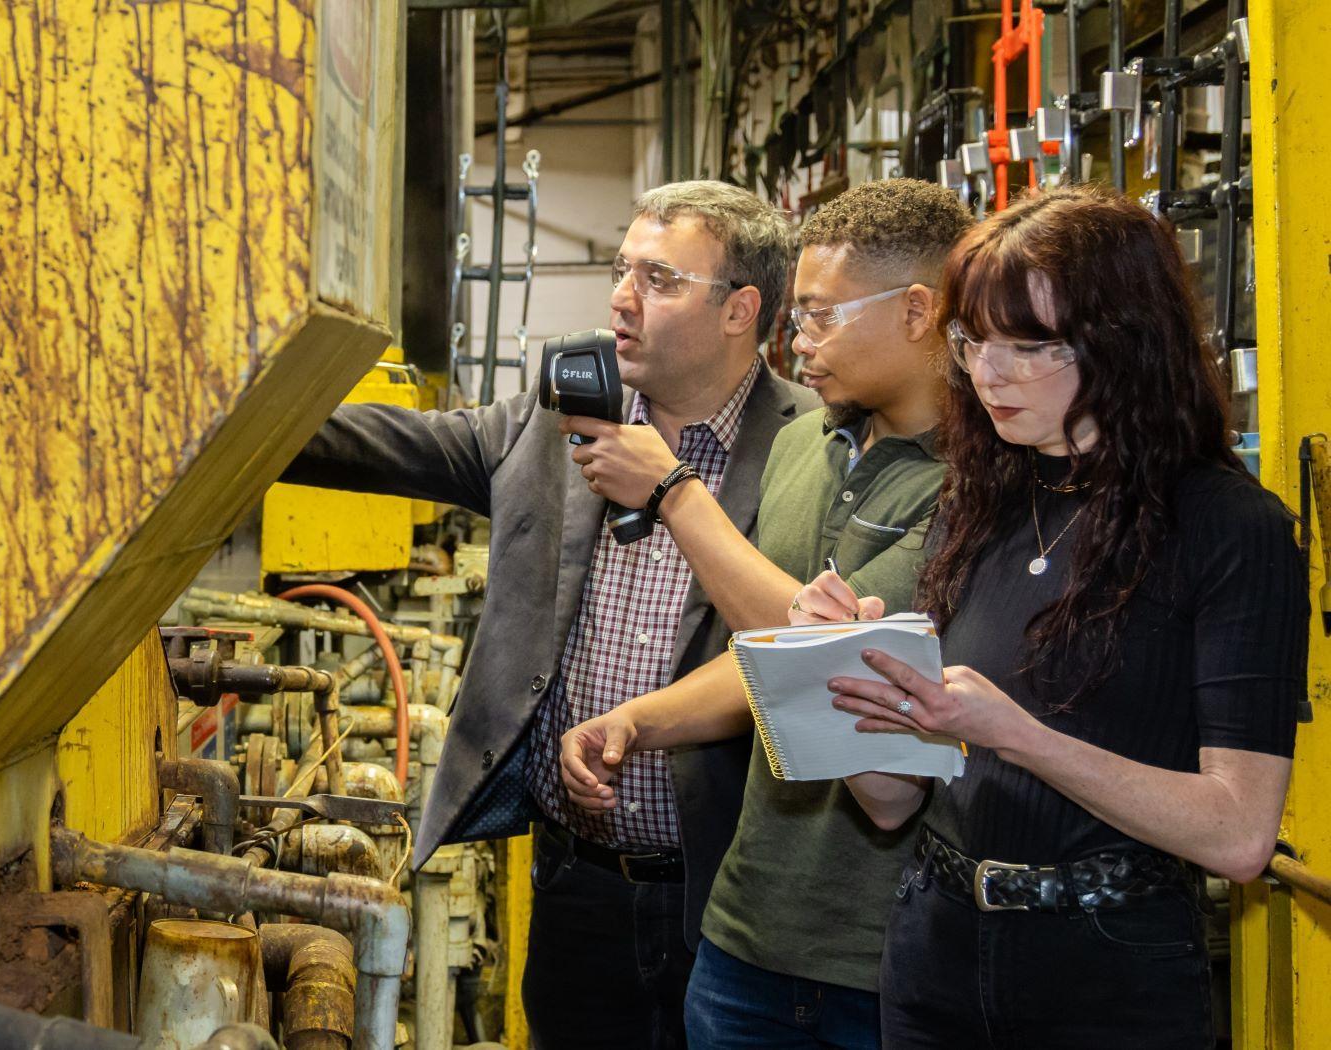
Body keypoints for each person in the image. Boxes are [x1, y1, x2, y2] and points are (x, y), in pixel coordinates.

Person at [281, 180, 816, 1050]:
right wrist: (230, 414)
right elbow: (378, 443)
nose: (621, 297)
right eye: (620, 269)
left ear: (739, 309)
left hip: (729, 895)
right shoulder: (556, 422)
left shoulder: (811, 444)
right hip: (580, 888)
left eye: (659, 278)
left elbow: (812, 651)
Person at [819, 186, 1307, 1049]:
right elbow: (893, 802)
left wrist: (1019, 735)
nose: (987, 375)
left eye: (1030, 347)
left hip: (1107, 972)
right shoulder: (983, 501)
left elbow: (1237, 835)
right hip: (936, 948)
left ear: (1124, 343)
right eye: (972, 343)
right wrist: (849, 674)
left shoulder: (1227, 528)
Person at [557, 179, 974, 1048]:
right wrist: (638, 721)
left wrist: (675, 494)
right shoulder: (800, 445)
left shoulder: (978, 491)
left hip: (881, 955)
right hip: (744, 932)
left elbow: (838, 662)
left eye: (822, 316)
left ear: (918, 312)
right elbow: (770, 656)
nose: (799, 339)